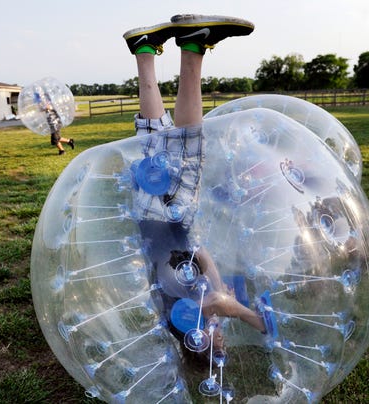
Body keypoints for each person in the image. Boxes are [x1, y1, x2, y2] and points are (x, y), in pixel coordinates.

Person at [123, 14, 264, 359]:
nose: (223, 342)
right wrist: (218, 290)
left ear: (197, 342)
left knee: (188, 146)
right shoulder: (177, 309)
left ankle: (193, 44)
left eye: (218, 347)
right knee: (156, 138)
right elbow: (194, 252)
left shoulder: (194, 309)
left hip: (172, 214)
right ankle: (143, 51)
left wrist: (227, 300)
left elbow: (198, 256)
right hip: (148, 213)